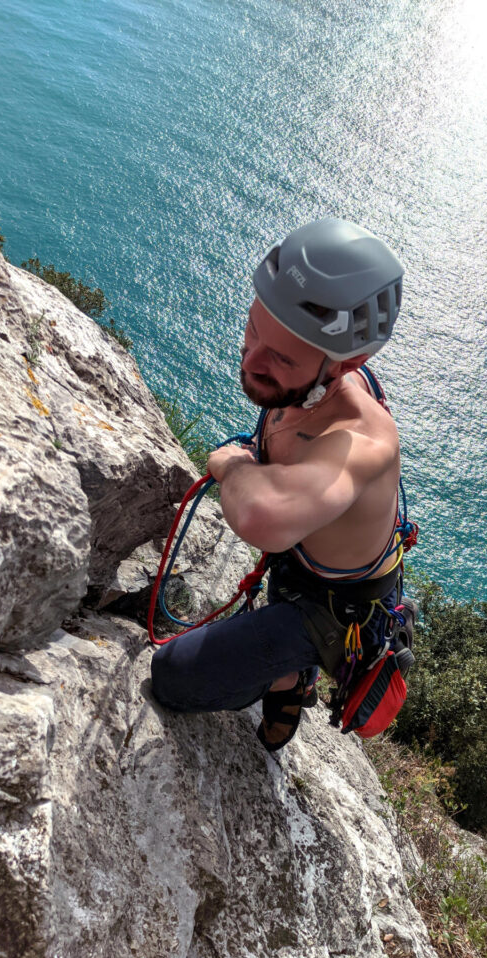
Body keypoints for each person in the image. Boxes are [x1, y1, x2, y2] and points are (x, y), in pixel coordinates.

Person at [151, 217, 408, 750]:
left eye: (282, 357)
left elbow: (260, 518)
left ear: (347, 363)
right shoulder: (309, 383)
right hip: (303, 550)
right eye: (252, 330)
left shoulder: (362, 441)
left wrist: (235, 465)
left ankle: (293, 676)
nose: (251, 360)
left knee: (172, 677)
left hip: (333, 609)